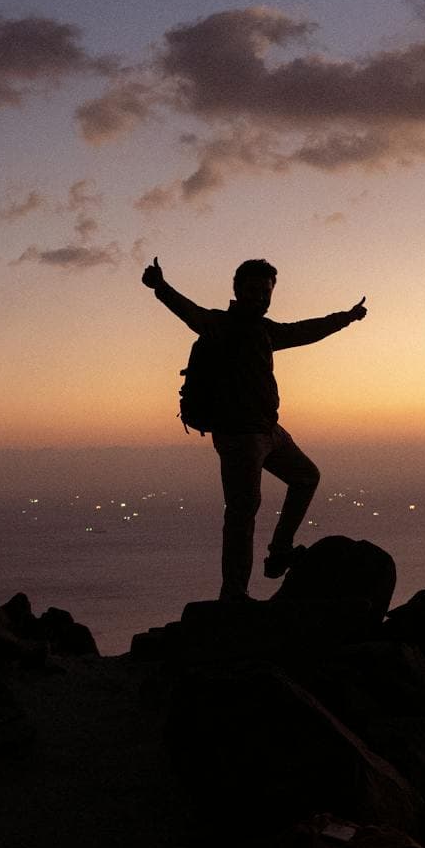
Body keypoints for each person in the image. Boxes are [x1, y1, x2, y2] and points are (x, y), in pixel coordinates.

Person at [142, 256, 367, 601]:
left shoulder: (266, 330)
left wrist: (346, 318)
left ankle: (279, 550)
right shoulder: (219, 324)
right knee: (242, 513)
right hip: (238, 437)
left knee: (306, 476)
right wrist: (160, 287)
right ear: (237, 290)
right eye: (254, 290)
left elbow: (305, 330)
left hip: (269, 431)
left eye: (266, 291)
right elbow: (189, 312)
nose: (261, 297)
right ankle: (233, 595)